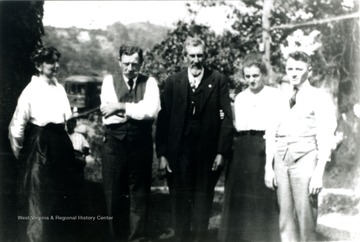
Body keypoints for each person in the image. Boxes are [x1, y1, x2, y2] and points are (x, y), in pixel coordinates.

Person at [156, 35, 233, 242]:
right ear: (184, 56)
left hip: (206, 154)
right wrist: (162, 154)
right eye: (192, 55)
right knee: (179, 202)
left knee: (202, 201)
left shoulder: (217, 80)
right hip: (178, 153)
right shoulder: (173, 82)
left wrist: (221, 151)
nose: (196, 60)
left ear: (204, 55)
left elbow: (227, 118)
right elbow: (162, 121)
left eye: (200, 55)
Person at [265, 51, 337, 241]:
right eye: (290, 69)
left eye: (299, 69)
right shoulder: (279, 97)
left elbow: (325, 135)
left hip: (306, 159)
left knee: (306, 220)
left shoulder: (319, 97)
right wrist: (268, 168)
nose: (294, 73)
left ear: (309, 71)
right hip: (281, 160)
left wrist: (318, 173)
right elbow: (271, 132)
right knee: (285, 219)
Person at [8, 46, 78, 242]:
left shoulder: (60, 88)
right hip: (40, 148)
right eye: (50, 62)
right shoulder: (30, 91)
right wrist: (23, 156)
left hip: (61, 146)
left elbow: (67, 119)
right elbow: (16, 127)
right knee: (41, 202)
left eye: (57, 61)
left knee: (62, 199)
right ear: (39, 65)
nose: (56, 66)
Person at [218, 53, 281, 242]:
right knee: (240, 200)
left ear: (263, 74)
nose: (251, 80)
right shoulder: (240, 98)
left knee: (261, 200)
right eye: (247, 76)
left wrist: (270, 165)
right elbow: (236, 125)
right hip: (241, 151)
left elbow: (276, 127)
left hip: (263, 148)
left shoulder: (275, 95)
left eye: (255, 75)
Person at [100, 45, 160, 242]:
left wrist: (121, 106)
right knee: (113, 193)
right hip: (114, 145)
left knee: (139, 193)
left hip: (140, 145)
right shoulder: (109, 81)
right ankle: (116, 237)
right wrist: (135, 111)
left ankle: (138, 238)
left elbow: (151, 111)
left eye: (135, 64)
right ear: (119, 63)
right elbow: (109, 117)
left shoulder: (150, 82)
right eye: (126, 64)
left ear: (141, 64)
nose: (130, 68)